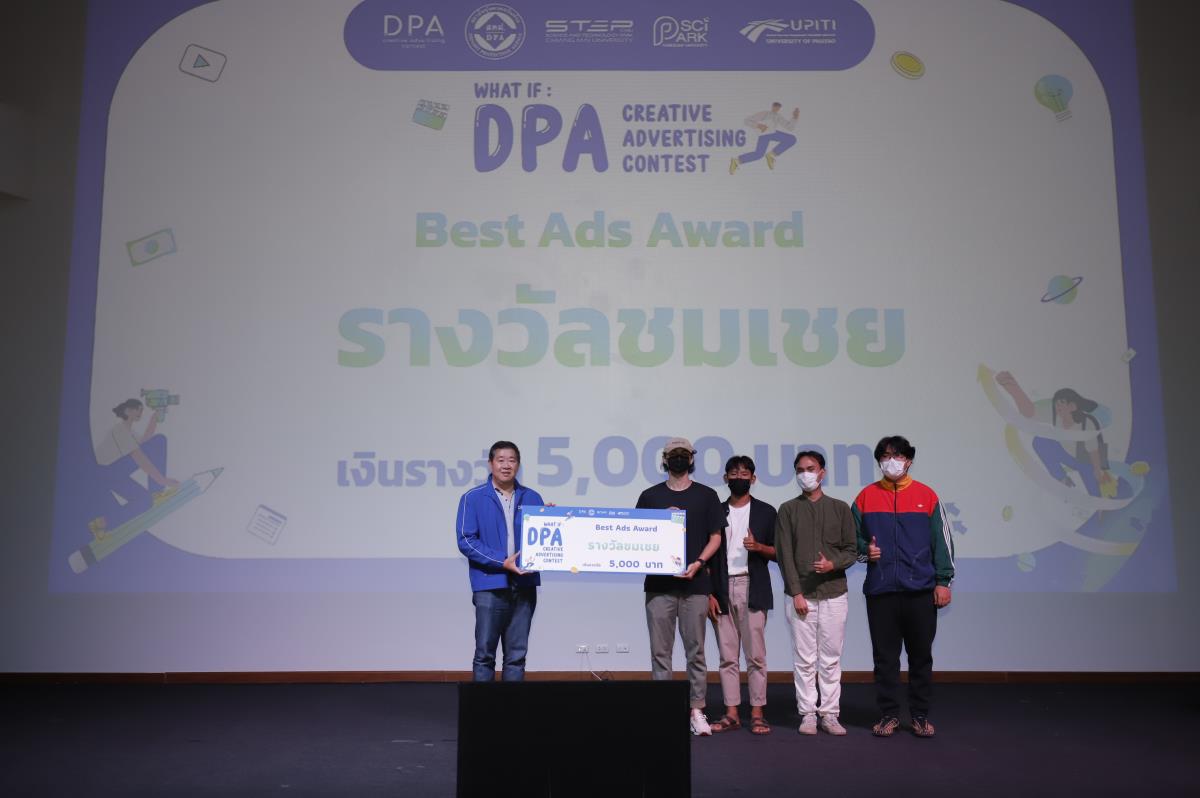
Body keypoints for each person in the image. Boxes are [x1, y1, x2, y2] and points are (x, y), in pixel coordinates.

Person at [853, 436, 955, 738]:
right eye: (885, 456)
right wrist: (865, 550)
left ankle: (920, 715)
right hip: (881, 590)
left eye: (897, 456)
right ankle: (889, 715)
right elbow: (850, 540)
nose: (891, 461)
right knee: (885, 659)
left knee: (921, 656)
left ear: (909, 460)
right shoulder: (865, 497)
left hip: (920, 590)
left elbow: (943, 542)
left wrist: (943, 581)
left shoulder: (927, 496)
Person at [636, 437, 724, 736]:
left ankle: (696, 709)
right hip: (658, 586)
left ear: (692, 459)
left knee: (695, 651)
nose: (678, 459)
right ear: (664, 460)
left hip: (695, 584)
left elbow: (716, 537)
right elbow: (637, 536)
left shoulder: (707, 495)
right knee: (660, 651)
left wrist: (698, 562)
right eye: (673, 455)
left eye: (683, 454)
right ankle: (664, 709)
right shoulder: (650, 496)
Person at [775, 450, 857, 736]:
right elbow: (784, 555)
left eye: (810, 469)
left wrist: (833, 563)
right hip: (801, 596)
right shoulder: (788, 509)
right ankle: (808, 713)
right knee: (804, 659)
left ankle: (830, 714)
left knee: (831, 658)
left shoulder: (840, 508)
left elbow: (852, 550)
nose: (805, 474)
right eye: (800, 470)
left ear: (823, 472)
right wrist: (796, 593)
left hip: (835, 594)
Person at [455, 441, 544, 682]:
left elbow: (543, 539)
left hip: (524, 584)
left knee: (516, 656)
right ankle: (483, 707)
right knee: (485, 654)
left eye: (512, 460)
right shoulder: (473, 498)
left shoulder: (533, 497)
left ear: (518, 465)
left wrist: (552, 520)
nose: (506, 465)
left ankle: (510, 707)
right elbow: (466, 540)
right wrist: (502, 562)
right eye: (501, 460)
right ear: (490, 464)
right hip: (489, 586)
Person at [707, 455, 777, 735]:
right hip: (721, 587)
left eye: (744, 473)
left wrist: (759, 547)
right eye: (734, 473)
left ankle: (757, 713)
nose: (739, 478)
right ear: (726, 478)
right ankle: (732, 713)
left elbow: (779, 552)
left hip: (752, 585)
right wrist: (709, 593)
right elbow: (706, 555)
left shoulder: (766, 512)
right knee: (727, 656)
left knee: (756, 655)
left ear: (753, 478)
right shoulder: (715, 511)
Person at [994, 370, 1128, 499]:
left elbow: (1094, 451)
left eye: (1062, 404)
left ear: (1072, 406)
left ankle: (1101, 500)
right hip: (1067, 452)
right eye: (1056, 404)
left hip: (1087, 460)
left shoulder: (1087, 423)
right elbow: (1029, 413)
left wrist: (1098, 471)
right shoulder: (1057, 415)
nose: (1058, 407)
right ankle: (1062, 479)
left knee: (1096, 493)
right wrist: (1012, 387)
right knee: (1040, 442)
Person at [91, 398, 178, 538]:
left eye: (141, 410)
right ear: (127, 411)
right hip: (105, 472)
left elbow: (143, 444)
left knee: (145, 501)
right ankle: (157, 491)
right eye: (138, 409)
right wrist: (162, 480)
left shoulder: (129, 432)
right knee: (159, 441)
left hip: (114, 473)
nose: (140, 413)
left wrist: (153, 421)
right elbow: (138, 456)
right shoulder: (119, 430)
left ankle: (100, 524)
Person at [729, 102, 798, 174]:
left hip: (773, 133)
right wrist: (758, 125)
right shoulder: (764, 113)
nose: (776, 108)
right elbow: (747, 120)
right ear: (772, 106)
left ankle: (772, 154)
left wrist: (795, 118)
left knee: (791, 139)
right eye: (775, 106)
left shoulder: (778, 116)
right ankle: (736, 161)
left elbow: (790, 127)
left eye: (778, 107)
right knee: (759, 154)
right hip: (764, 135)